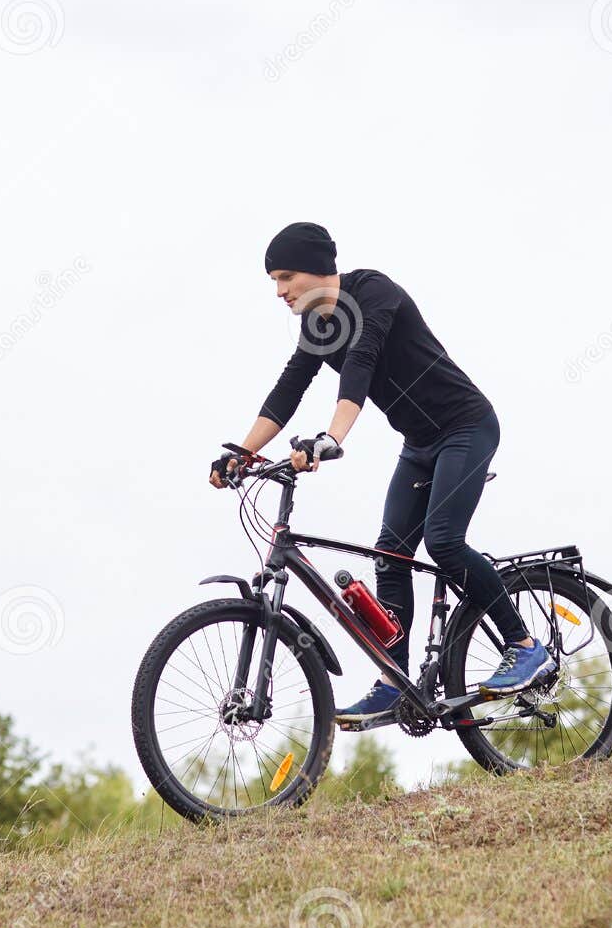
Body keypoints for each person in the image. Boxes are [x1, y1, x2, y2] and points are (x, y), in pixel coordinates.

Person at [207, 222, 552, 729]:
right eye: (273, 282)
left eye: (286, 277)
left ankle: (525, 646)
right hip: (419, 445)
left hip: (466, 426)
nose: (280, 292)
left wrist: (333, 437)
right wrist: (241, 452)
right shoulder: (316, 329)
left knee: (443, 541)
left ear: (320, 268)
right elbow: (288, 389)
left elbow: (362, 364)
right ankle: (395, 682)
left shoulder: (374, 291)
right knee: (390, 555)